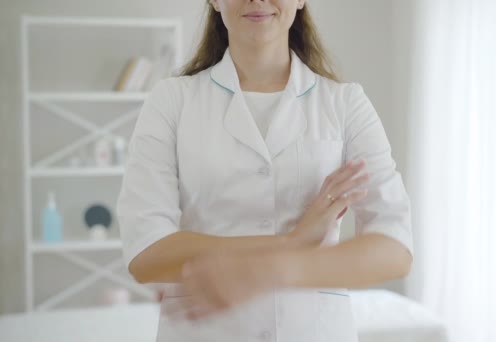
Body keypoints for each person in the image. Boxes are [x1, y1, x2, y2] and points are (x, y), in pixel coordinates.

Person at [116, 0, 414, 341]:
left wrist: (274, 268)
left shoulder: (345, 104)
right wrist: (292, 242)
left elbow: (394, 249)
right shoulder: (171, 100)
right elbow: (146, 253)